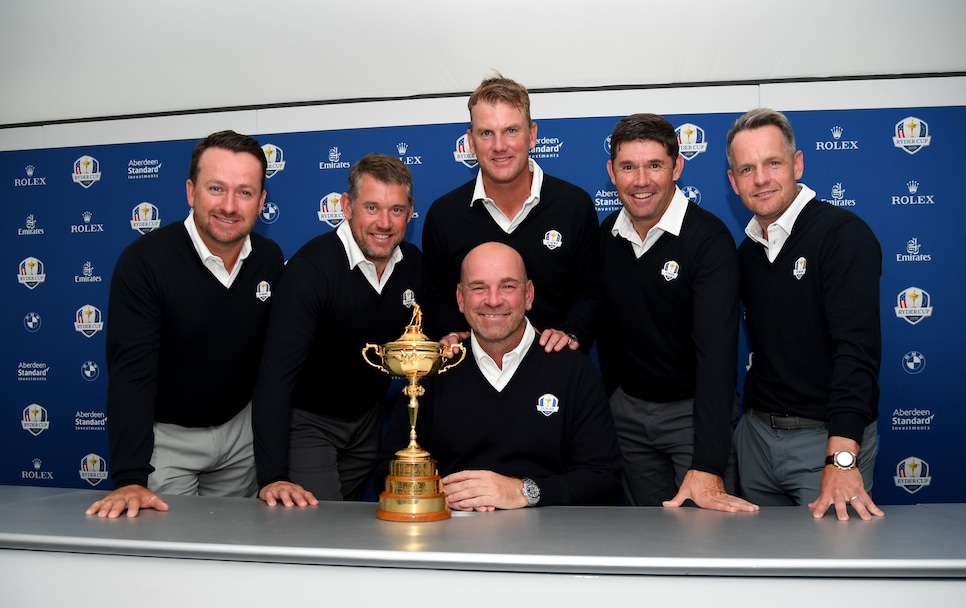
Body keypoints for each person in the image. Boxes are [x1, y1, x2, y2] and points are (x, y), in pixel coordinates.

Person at [86, 130, 284, 518]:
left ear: (261, 202)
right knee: (172, 554)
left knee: (236, 550)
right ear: (191, 192)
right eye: (216, 188)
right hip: (168, 442)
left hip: (240, 437)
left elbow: (275, 365)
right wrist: (130, 477)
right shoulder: (144, 264)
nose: (229, 205)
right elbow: (131, 374)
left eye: (245, 192)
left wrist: (272, 465)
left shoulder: (269, 259)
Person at [376, 242, 622, 510]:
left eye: (507, 286)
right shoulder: (430, 371)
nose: (493, 300)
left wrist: (523, 491)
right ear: (460, 298)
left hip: (550, 538)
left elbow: (603, 479)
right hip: (450, 536)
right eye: (478, 287)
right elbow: (386, 471)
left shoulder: (573, 370)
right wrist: (442, 493)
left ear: (528, 294)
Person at [726, 108, 884, 521]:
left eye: (772, 163)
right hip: (756, 441)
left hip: (825, 445)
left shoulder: (843, 235)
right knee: (763, 575)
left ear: (797, 164)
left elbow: (857, 353)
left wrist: (842, 461)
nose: (760, 179)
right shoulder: (746, 252)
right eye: (747, 168)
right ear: (733, 181)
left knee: (834, 572)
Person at [597, 114, 757, 513]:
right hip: (628, 417)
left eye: (654, 165)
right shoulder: (606, 236)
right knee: (644, 543)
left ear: (677, 167)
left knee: (705, 542)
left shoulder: (709, 240)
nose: (641, 180)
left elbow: (717, 355)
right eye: (628, 166)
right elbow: (606, 328)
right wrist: (617, 401)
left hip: (693, 418)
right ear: (611, 172)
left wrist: (707, 461)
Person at [252, 153, 424, 507]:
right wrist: (272, 476)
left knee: (347, 523)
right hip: (310, 425)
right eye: (372, 207)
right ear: (347, 206)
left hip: (367, 422)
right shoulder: (309, 272)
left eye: (396, 210)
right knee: (319, 525)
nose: (384, 223)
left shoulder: (413, 265)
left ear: (410, 212)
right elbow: (274, 377)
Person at [422, 73, 599, 354]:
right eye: (486, 133)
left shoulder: (574, 205)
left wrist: (571, 333)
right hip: (472, 376)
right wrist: (448, 334)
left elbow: (589, 292)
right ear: (470, 140)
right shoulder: (444, 215)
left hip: (555, 369)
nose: (499, 146)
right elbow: (439, 296)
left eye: (511, 131)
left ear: (532, 135)